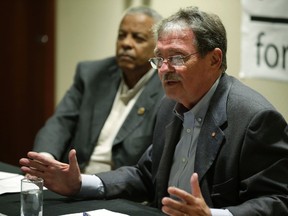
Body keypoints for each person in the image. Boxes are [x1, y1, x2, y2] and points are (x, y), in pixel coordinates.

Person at [20, 6, 288, 216]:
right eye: (160, 59)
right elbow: (146, 174)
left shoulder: (254, 118)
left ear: (214, 59)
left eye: (177, 58)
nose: (164, 69)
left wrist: (214, 215)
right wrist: (80, 184)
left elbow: (278, 201)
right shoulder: (169, 104)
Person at [32, 6, 164, 174]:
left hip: (121, 189)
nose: (126, 43)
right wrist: (45, 158)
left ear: (158, 47)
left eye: (138, 38)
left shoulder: (167, 89)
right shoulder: (92, 74)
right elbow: (62, 121)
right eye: (121, 36)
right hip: (73, 179)